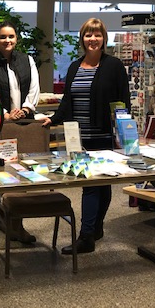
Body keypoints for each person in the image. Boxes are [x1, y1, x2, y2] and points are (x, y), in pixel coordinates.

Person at [43, 18, 130, 254]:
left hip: (103, 136)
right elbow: (67, 101)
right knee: (90, 185)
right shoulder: (74, 66)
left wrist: (125, 134)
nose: (93, 39)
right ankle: (89, 233)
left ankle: (90, 232)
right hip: (78, 138)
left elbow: (124, 101)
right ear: (82, 38)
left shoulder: (113, 66)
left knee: (102, 185)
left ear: (104, 38)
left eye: (97, 34)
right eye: (88, 35)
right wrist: (53, 118)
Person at [0, 20, 40, 243]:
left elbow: (34, 87)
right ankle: (5, 218)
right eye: (3, 37)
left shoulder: (28, 60)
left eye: (11, 36)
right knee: (0, 173)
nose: (7, 41)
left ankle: (14, 219)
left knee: (22, 171)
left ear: (17, 38)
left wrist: (26, 108)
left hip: (24, 125)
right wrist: (4, 113)